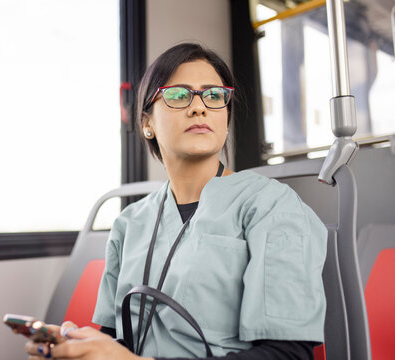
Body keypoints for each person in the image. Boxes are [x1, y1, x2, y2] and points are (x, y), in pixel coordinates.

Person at [25, 42, 327, 360]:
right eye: (179, 95)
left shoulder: (270, 206)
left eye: (213, 95)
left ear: (225, 117)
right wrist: (80, 348)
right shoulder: (130, 223)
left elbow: (288, 354)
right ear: (147, 123)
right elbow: (117, 341)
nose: (199, 107)